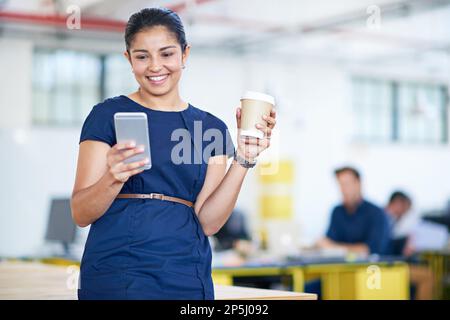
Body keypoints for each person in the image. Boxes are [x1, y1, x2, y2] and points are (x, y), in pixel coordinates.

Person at [70, 8, 276, 300]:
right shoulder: (106, 115)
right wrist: (113, 179)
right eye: (142, 56)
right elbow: (80, 213)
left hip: (185, 276)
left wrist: (244, 159)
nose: (155, 66)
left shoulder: (210, 128)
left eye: (166, 54)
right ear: (129, 59)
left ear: (185, 55)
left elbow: (209, 222)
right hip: (115, 274)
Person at [316, 166, 390, 255]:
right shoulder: (337, 212)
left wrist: (335, 247)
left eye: (346, 184)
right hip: (341, 267)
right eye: (340, 184)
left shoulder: (377, 214)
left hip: (371, 268)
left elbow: (370, 250)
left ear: (358, 184)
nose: (343, 189)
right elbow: (329, 241)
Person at [385, 191, 434, 300]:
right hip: (386, 264)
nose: (405, 209)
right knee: (427, 276)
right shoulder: (385, 219)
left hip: (392, 262)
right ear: (396, 203)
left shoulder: (394, 219)